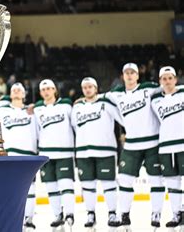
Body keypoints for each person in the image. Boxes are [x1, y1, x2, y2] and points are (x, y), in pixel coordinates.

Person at [106, 63, 164, 229]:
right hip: (131, 145)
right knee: (124, 180)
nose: (130, 75)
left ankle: (156, 213)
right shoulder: (115, 94)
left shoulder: (148, 88)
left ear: (138, 76)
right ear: (122, 76)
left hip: (153, 142)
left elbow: (168, 87)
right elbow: (98, 98)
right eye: (127, 73)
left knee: (156, 180)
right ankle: (124, 214)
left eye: (133, 73)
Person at [71, 77, 123, 228]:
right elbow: (75, 127)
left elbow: (120, 115)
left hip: (105, 150)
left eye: (90, 87)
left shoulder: (106, 102)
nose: (87, 89)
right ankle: (90, 214)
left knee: (109, 184)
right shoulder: (77, 107)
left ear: (96, 88)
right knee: (87, 185)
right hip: (83, 151)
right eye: (85, 87)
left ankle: (112, 213)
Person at [0, 83, 38, 230]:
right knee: (9, 189)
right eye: (14, 90)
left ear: (24, 94)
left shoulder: (33, 111)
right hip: (9, 155)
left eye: (19, 90)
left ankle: (29, 219)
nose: (16, 92)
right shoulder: (2, 110)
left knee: (30, 188)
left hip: (29, 155)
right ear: (10, 94)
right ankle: (11, 218)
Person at [33, 79, 75, 228]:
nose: (46, 92)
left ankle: (70, 214)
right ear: (40, 93)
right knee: (51, 188)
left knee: (66, 185)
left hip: (65, 153)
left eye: (49, 89)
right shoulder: (37, 109)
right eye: (43, 90)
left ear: (55, 90)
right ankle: (58, 215)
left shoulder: (66, 105)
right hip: (46, 154)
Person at [150, 66, 184, 228]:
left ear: (176, 79)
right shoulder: (155, 100)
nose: (167, 81)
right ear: (160, 82)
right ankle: (177, 213)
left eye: (170, 78)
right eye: (164, 78)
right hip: (165, 146)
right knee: (172, 182)